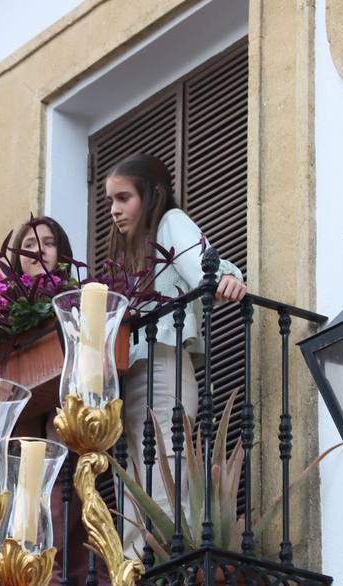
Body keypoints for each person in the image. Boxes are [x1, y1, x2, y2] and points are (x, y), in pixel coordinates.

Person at [103, 154, 246, 552]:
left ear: (152, 196)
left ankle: (167, 568)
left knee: (164, 470)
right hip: (135, 371)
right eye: (111, 201)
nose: (114, 210)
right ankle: (136, 573)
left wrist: (228, 278)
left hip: (162, 363)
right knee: (135, 478)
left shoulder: (169, 222)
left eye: (124, 198)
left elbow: (203, 261)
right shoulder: (128, 256)